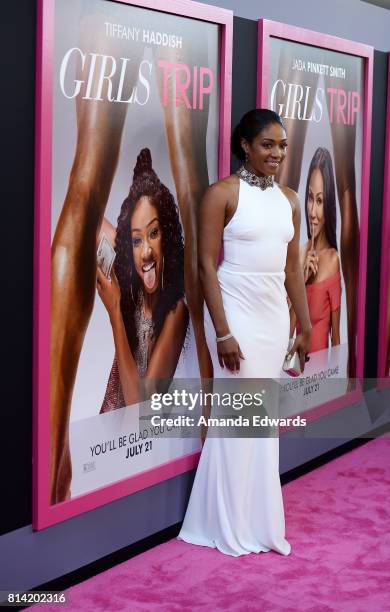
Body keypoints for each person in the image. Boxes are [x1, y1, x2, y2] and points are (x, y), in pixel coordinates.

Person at [177, 109, 312, 557]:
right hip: (236, 313)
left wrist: (306, 323)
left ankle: (257, 521)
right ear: (245, 146)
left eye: (282, 145)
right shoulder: (222, 194)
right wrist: (223, 332)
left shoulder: (290, 200)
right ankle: (226, 523)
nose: (277, 153)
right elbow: (204, 267)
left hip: (274, 318)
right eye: (267, 145)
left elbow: (292, 269)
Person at [97, 148, 189, 411]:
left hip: (140, 446)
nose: (146, 251)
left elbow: (140, 412)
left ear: (167, 235)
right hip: (105, 434)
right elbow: (86, 217)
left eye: (154, 233)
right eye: (137, 240)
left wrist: (114, 311)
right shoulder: (129, 280)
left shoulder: (176, 312)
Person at [290, 147, 341, 353]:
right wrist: (301, 282)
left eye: (319, 201)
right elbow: (287, 331)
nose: (312, 211)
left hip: (320, 376)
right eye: (310, 198)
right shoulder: (298, 254)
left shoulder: (332, 260)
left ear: (328, 204)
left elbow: (336, 337)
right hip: (293, 373)